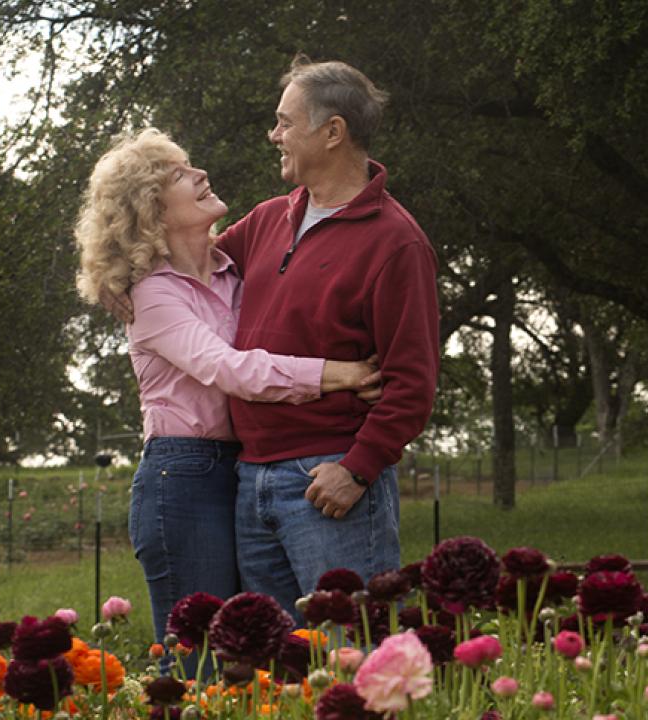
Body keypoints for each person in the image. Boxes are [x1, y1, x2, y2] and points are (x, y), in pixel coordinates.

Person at [74, 128, 382, 645]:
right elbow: (232, 369)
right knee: (197, 653)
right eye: (179, 175)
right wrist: (340, 374)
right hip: (183, 476)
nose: (200, 174)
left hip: (243, 469)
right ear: (150, 210)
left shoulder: (232, 269)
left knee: (252, 646)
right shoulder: (152, 295)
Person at [217, 56, 439, 617]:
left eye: (285, 122)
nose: (274, 136)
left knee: (353, 651)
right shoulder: (266, 219)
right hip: (249, 477)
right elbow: (190, 272)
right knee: (273, 661)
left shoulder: (397, 243)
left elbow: (412, 384)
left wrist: (358, 468)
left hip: (327, 482)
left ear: (333, 132)